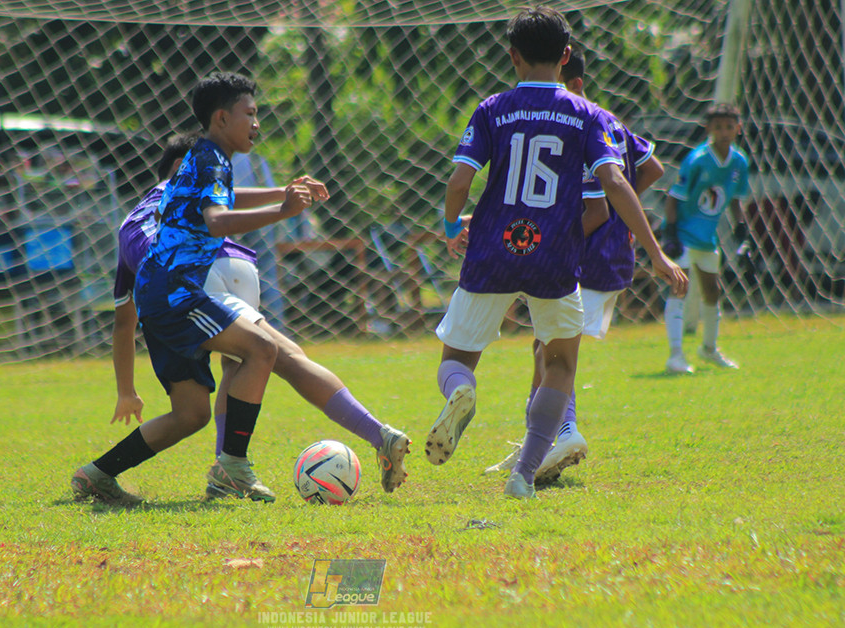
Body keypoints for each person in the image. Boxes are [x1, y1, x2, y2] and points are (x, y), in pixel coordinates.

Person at [426, 8, 687, 500]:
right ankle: (523, 474)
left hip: (492, 251)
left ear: (513, 56)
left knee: (456, 359)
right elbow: (614, 183)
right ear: (566, 56)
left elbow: (460, 180)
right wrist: (654, 252)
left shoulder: (493, 109)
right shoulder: (589, 116)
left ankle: (462, 391)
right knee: (560, 363)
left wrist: (448, 227)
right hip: (554, 257)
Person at [108, 134, 411, 499]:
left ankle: (232, 469)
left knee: (266, 358)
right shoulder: (188, 187)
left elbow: (124, 321)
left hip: (188, 281)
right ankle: (230, 472)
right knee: (258, 362)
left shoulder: (137, 220)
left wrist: (126, 390)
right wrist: (282, 192)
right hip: (231, 268)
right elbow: (227, 202)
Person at [71, 72, 321, 505]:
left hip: (160, 291)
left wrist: (282, 191)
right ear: (222, 118)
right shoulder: (208, 158)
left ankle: (96, 475)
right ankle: (233, 470)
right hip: (175, 291)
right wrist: (283, 210)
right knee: (263, 349)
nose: (257, 123)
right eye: (251, 113)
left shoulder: (211, 159)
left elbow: (224, 200)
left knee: (191, 414)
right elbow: (218, 221)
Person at [482, 46, 665, 483]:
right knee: (545, 346)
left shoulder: (575, 124)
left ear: (571, 81)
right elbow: (652, 167)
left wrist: (560, 236)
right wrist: (628, 209)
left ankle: (564, 431)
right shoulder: (611, 123)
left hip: (585, 255)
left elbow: (598, 209)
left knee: (556, 350)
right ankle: (535, 441)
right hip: (614, 255)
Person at [662, 103, 749, 374]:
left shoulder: (739, 161)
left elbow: (734, 199)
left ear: (738, 128)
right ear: (708, 129)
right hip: (684, 236)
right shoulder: (697, 159)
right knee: (679, 289)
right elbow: (673, 199)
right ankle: (676, 355)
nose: (724, 131)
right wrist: (670, 234)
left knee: (712, 292)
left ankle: (709, 349)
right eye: (718, 126)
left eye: (729, 126)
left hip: (707, 238)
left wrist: (742, 231)